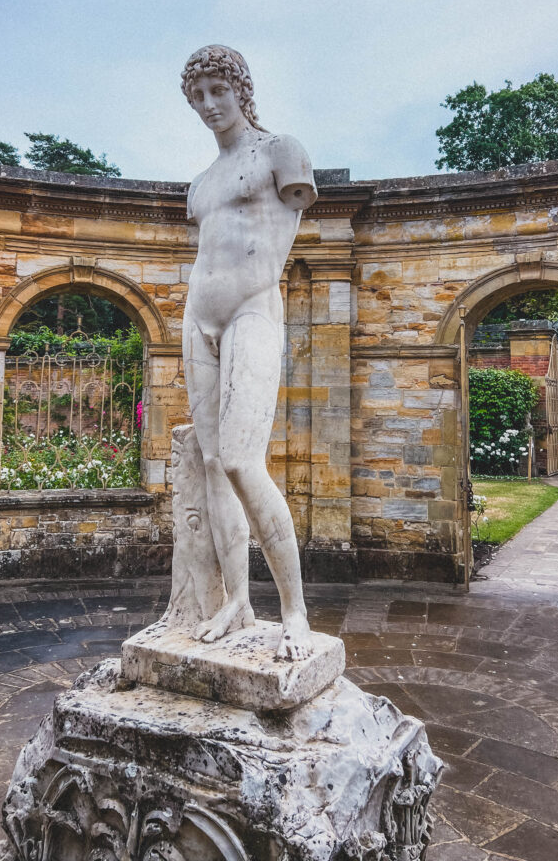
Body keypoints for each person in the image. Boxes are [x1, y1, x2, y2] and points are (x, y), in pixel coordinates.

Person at [180, 45, 317, 660]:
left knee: (240, 459)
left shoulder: (280, 151)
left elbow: (283, 223)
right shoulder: (200, 183)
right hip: (198, 318)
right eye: (198, 96)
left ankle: (294, 610)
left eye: (218, 91)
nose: (210, 105)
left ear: (241, 89)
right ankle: (238, 598)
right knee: (212, 464)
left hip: (253, 310)